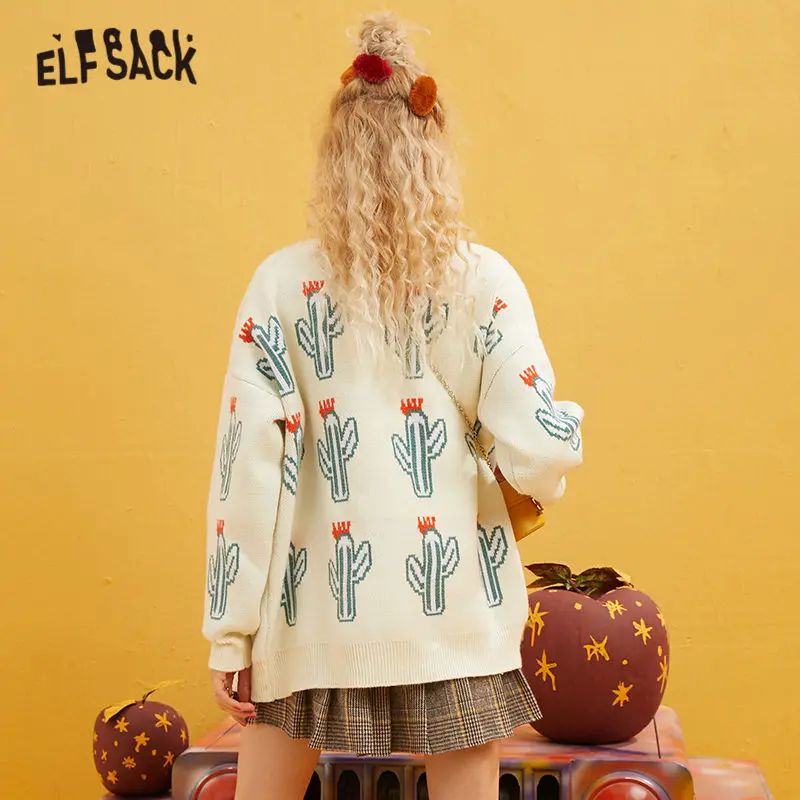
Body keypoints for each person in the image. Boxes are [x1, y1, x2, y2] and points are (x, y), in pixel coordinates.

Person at [202, 12, 583, 800]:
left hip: (309, 623)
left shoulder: (279, 286)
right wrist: (540, 473)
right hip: (454, 621)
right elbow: (541, 450)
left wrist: (230, 633)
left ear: (332, 157)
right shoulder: (484, 282)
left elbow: (247, 472)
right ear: (434, 150)